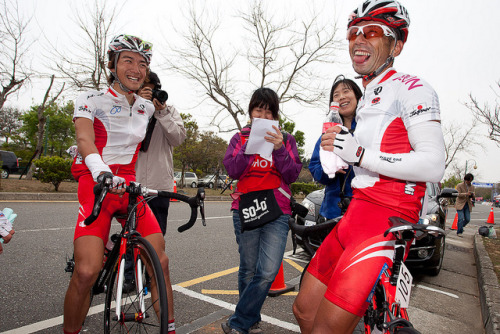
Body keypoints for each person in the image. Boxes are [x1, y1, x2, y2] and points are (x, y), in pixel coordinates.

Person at [292, 1, 446, 333]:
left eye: (374, 32)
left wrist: (361, 154)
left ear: (397, 44)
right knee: (303, 310)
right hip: (354, 216)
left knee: (325, 329)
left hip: (384, 223)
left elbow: (434, 164)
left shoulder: (412, 88)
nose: (359, 39)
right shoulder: (366, 99)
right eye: (354, 33)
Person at [63, 34, 173, 334]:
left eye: (142, 63)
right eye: (128, 60)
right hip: (96, 182)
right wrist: (101, 173)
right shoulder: (89, 99)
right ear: (111, 65)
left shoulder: (147, 108)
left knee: (160, 262)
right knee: (86, 272)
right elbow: (85, 140)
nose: (136, 68)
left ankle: (170, 328)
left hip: (128, 186)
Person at [222, 87, 302, 334]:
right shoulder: (239, 138)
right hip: (246, 207)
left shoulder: (286, 140)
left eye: (269, 112)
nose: (264, 116)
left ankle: (238, 321)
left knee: (267, 271)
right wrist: (251, 148)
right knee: (248, 268)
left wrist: (278, 149)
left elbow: (292, 174)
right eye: (259, 110)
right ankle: (249, 321)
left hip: (277, 210)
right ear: (251, 112)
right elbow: (232, 170)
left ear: (276, 116)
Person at [134, 70, 186, 327]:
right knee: (129, 236)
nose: (149, 93)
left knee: (156, 243)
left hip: (158, 188)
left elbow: (178, 138)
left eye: (152, 89)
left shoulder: (168, 111)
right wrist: (138, 107)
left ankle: (147, 280)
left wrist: (161, 112)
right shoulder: (128, 108)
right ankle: (130, 275)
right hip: (130, 185)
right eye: (144, 88)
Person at [309, 76, 362, 219]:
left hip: (364, 209)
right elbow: (314, 166)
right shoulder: (328, 134)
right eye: (336, 95)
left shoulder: (369, 130)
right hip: (333, 210)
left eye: (346, 91)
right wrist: (330, 170)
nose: (342, 97)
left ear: (357, 96)